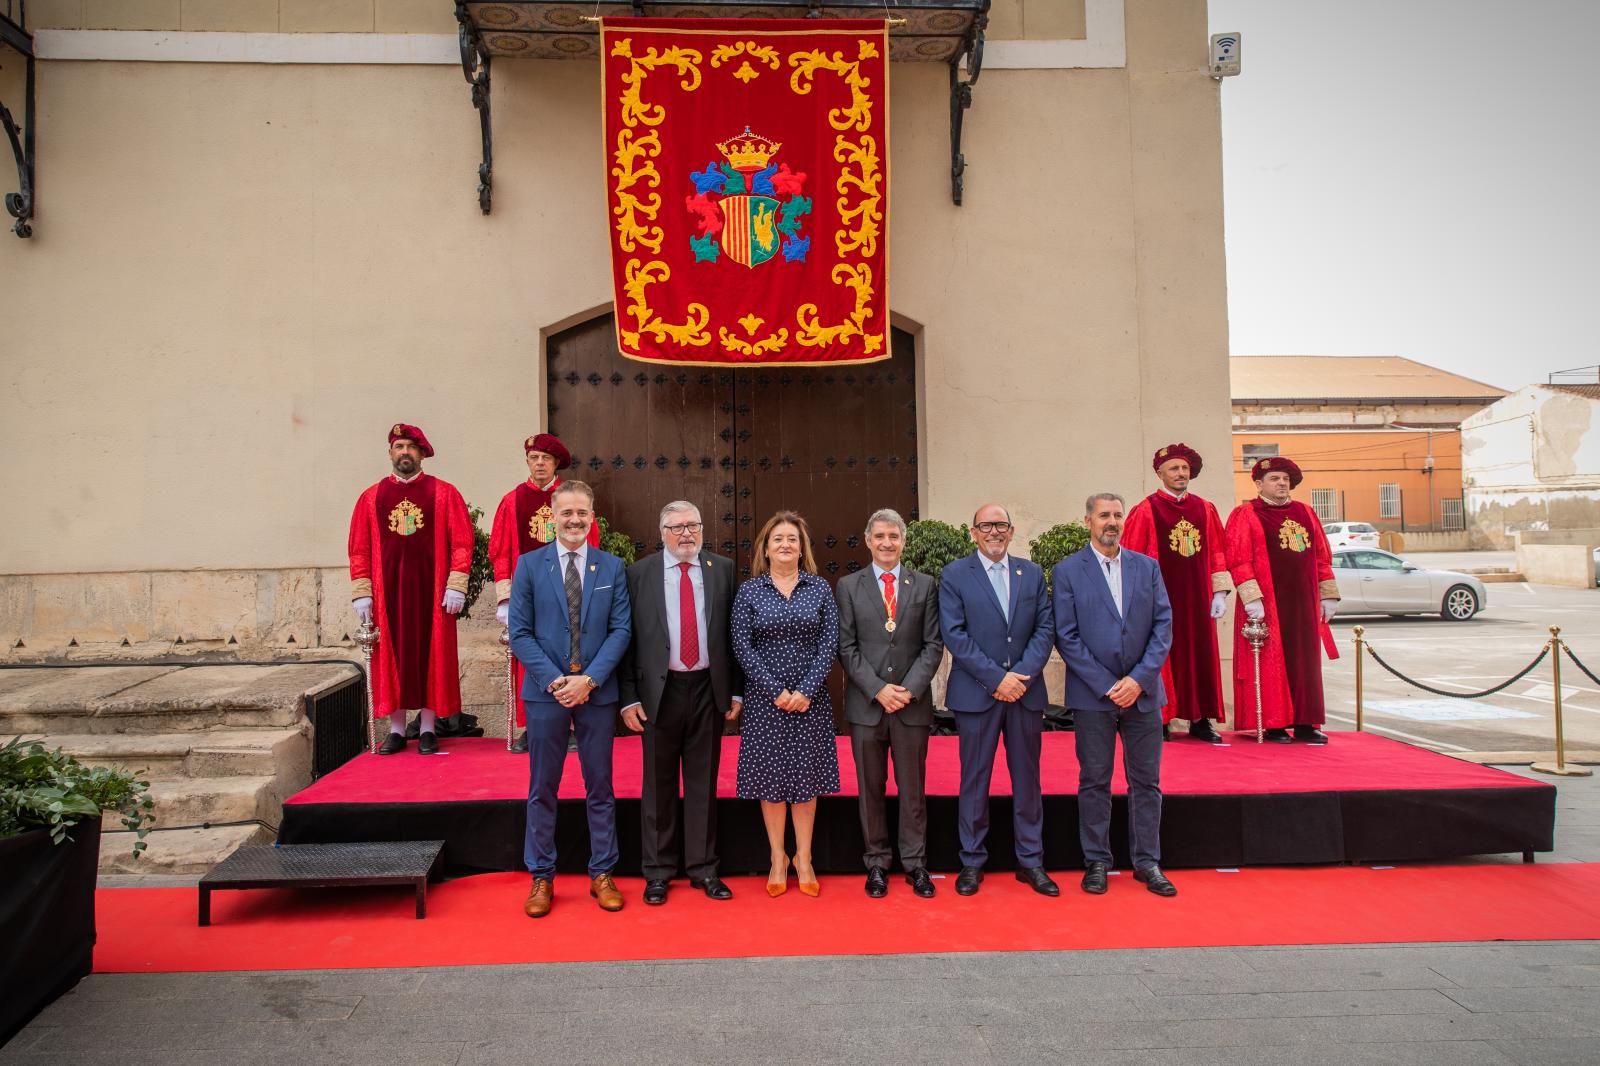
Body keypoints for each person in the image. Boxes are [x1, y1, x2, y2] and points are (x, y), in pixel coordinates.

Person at [508, 481, 633, 917]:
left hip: (596, 696)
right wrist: (557, 680)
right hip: (546, 696)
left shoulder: (611, 567)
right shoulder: (528, 566)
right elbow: (519, 633)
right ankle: (541, 877)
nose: (575, 520)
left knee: (600, 786)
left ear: (592, 517)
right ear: (553, 517)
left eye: (582, 512)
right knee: (542, 788)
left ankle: (602, 873)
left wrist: (590, 680)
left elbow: (621, 631)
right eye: (567, 513)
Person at [1052, 493, 1177, 898]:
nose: (1112, 522)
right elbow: (1067, 637)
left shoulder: (1147, 567)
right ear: (1087, 520)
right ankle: (1097, 861)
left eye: (1117, 515)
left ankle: (1147, 862)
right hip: (1094, 697)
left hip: (1142, 695)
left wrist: (1138, 680)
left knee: (1147, 782)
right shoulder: (1069, 571)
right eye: (1104, 515)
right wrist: (1108, 684)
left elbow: (1163, 626)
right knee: (1094, 781)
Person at [619, 501, 743, 905]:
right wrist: (628, 698)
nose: (686, 533)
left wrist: (736, 690)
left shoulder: (722, 570)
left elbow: (733, 636)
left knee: (703, 782)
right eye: (677, 527)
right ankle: (657, 872)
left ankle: (704, 868)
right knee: (657, 784)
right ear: (662, 533)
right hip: (659, 690)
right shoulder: (639, 574)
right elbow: (627, 639)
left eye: (693, 525)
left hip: (707, 688)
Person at [938, 504, 1059, 897]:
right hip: (977, 693)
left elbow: (1045, 628)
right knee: (975, 779)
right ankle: (972, 860)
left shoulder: (1032, 573)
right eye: (986, 525)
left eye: (1000, 525)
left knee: (1028, 779)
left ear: (1011, 530)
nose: (994, 531)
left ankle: (1031, 861)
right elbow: (954, 634)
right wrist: (996, 678)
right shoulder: (956, 574)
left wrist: (1019, 677)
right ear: (973, 532)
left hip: (1024, 693)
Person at [835, 508, 945, 899]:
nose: (886, 543)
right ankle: (877, 863)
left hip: (911, 706)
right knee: (870, 788)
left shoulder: (925, 585)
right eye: (879, 536)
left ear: (903, 541)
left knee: (912, 789)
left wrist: (908, 689)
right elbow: (845, 647)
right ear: (868, 540)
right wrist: (878, 689)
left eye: (893, 537)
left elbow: (934, 644)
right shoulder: (848, 586)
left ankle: (916, 865)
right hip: (867, 706)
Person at [731, 511, 840, 899]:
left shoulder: (820, 589)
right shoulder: (750, 591)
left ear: (802, 547)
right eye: (777, 538)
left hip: (810, 702)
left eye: (792, 539)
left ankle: (804, 858)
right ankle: (778, 857)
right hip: (766, 703)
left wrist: (806, 689)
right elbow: (742, 646)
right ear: (765, 547)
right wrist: (775, 689)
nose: (785, 545)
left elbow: (830, 643)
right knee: (772, 782)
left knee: (806, 781)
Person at [347, 423, 473, 756]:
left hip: (432, 594)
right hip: (388, 594)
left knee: (431, 657)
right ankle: (398, 729)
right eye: (399, 446)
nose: (405, 453)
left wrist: (456, 584)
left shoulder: (444, 493)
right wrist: (362, 591)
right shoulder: (370, 498)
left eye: (411, 448)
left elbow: (462, 543)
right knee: (393, 656)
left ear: (422, 454)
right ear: (390, 452)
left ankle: (429, 728)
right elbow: (359, 548)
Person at [490, 433, 600, 754]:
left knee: (569, 654)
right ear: (527, 461)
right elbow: (499, 550)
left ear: (555, 464)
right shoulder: (512, 501)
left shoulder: (573, 498)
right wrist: (504, 597)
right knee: (530, 659)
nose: (539, 464)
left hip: (569, 589)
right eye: (534, 458)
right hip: (529, 592)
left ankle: (568, 724)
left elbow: (591, 541)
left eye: (546, 459)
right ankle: (531, 726)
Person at [1224, 457, 1341, 744]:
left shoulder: (1305, 512)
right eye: (1275, 478)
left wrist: (1328, 595)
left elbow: (1322, 557)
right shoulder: (1247, 514)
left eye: (1285, 479)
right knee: (1270, 661)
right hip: (1268, 604)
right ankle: (1274, 724)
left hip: (1304, 603)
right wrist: (1251, 597)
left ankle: (1305, 722)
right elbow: (1239, 559)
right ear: (1259, 484)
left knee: (1306, 663)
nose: (1282, 483)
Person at [1121, 443, 1231, 743]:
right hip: (1160, 601)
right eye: (1174, 468)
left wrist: (1219, 592)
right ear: (1160, 473)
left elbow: (1219, 553)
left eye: (1184, 468)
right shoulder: (1145, 511)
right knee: (1161, 656)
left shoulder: (1205, 509)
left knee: (1201, 657)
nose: (1181, 473)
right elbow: (1131, 557)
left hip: (1198, 598)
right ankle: (1162, 718)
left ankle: (1201, 719)